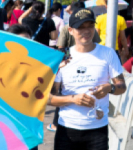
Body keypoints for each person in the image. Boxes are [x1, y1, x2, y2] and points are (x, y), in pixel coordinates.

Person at [49, 9, 126, 150]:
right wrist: (73, 99)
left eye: (90, 26)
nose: (86, 31)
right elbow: (50, 98)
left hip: (97, 130)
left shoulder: (108, 53)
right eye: (81, 27)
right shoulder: (63, 57)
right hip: (67, 130)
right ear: (71, 30)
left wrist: (110, 88)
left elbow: (122, 86)